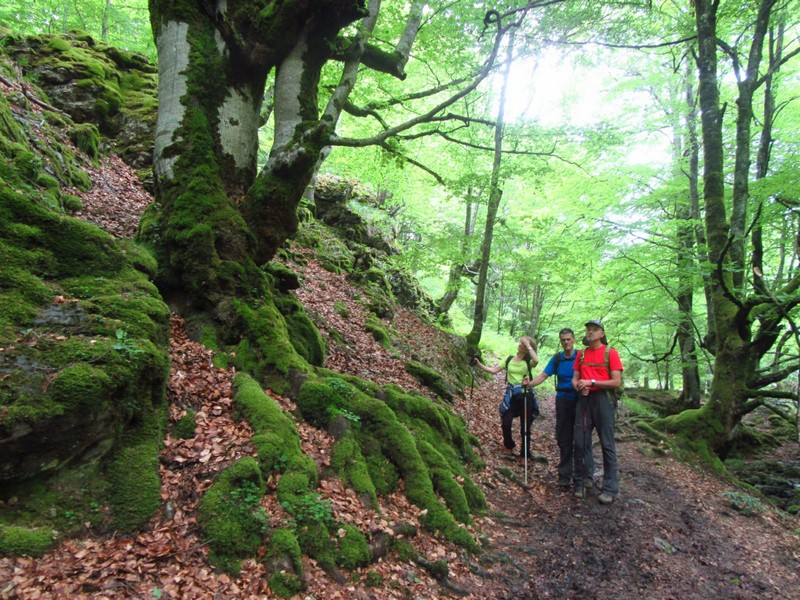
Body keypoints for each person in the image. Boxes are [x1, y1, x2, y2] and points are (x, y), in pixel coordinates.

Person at [528, 328, 593, 489]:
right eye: (563, 340)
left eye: (569, 339)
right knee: (564, 437)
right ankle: (564, 475)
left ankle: (585, 475)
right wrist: (529, 384)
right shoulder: (557, 359)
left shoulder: (582, 356)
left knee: (582, 438)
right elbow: (544, 375)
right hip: (563, 400)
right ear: (560, 341)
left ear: (574, 340)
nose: (566, 342)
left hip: (581, 400)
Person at [572, 319, 623, 504]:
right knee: (580, 442)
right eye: (588, 329)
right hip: (584, 401)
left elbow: (616, 382)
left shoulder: (611, 353)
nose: (590, 332)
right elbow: (575, 379)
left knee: (607, 444)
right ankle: (581, 481)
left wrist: (592, 382)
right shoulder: (582, 354)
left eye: (594, 329)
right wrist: (579, 387)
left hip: (604, 400)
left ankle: (610, 488)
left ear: (602, 334)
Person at [474, 337, 538, 458]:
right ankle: (509, 446)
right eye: (521, 343)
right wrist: (479, 364)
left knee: (525, 427)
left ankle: (525, 454)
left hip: (525, 395)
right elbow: (493, 370)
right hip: (512, 395)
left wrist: (528, 345)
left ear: (528, 348)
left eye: (523, 344)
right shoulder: (509, 359)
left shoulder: (528, 361)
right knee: (506, 422)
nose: (521, 345)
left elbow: (536, 360)